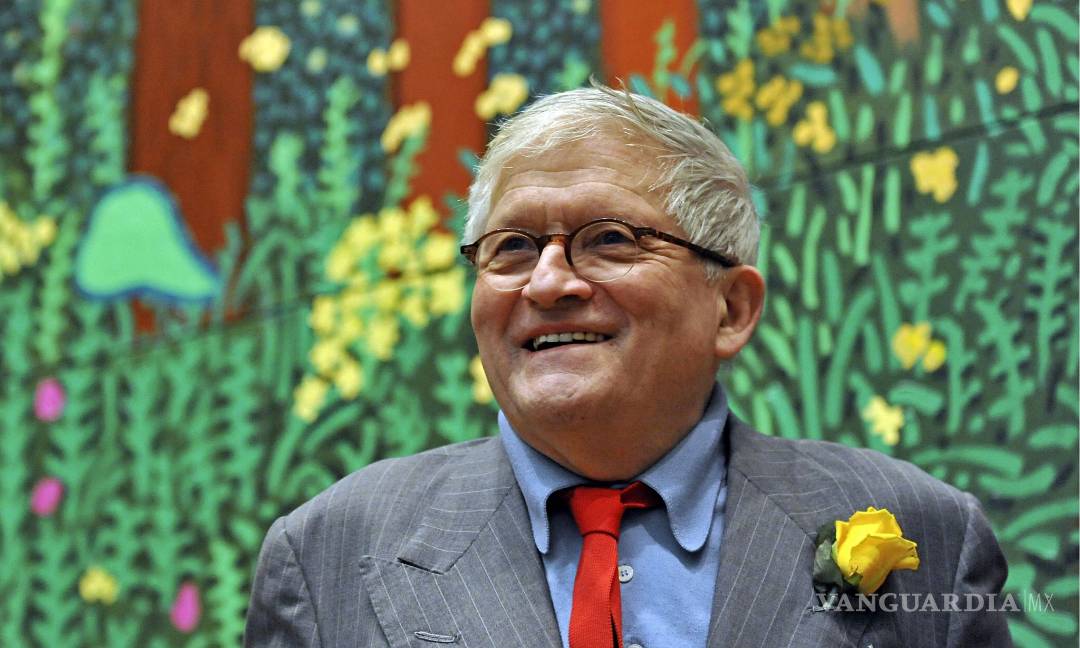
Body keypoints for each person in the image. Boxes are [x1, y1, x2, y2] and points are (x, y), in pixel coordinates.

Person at [245, 85, 1011, 647]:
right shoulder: (328, 553)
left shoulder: (927, 533)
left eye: (609, 239)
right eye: (511, 248)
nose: (547, 282)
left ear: (731, 309)